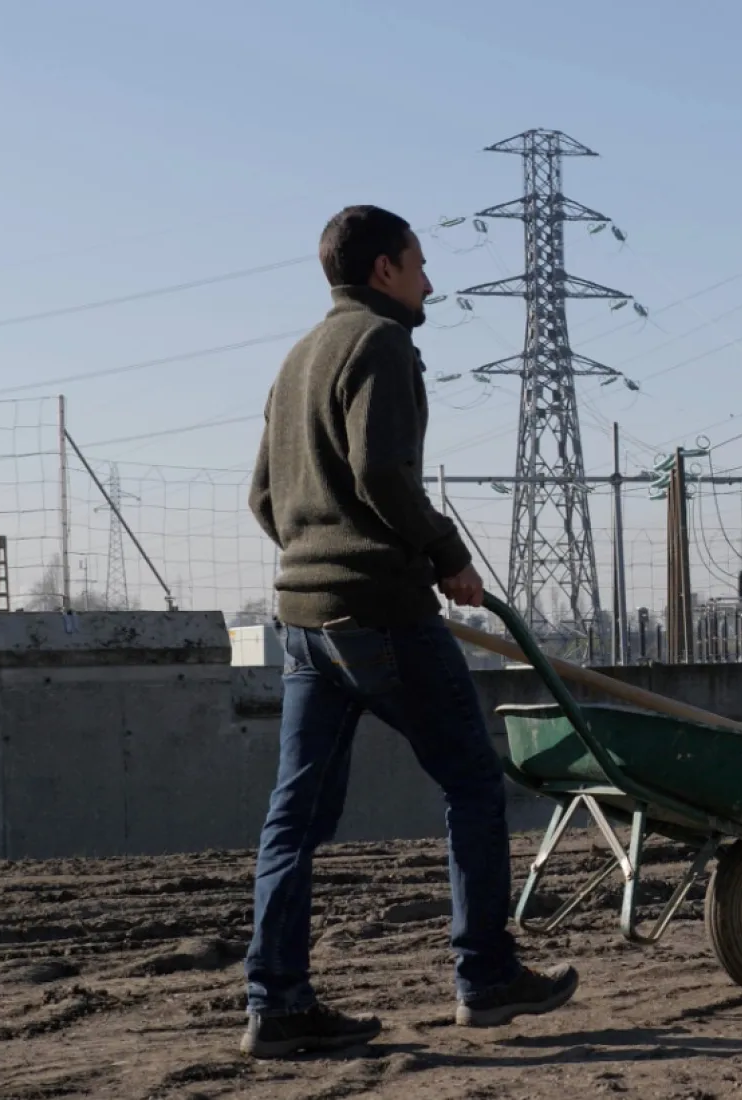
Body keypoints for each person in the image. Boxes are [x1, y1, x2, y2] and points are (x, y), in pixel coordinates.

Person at [240, 205, 578, 1058]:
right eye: (421, 264)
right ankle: (487, 977)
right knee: (471, 781)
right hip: (383, 615)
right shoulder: (381, 344)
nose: (431, 282)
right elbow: (380, 470)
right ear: (385, 270)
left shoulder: (297, 359)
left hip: (305, 626)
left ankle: (275, 1004)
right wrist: (442, 555)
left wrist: (317, 562)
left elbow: (262, 499)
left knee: (294, 820)